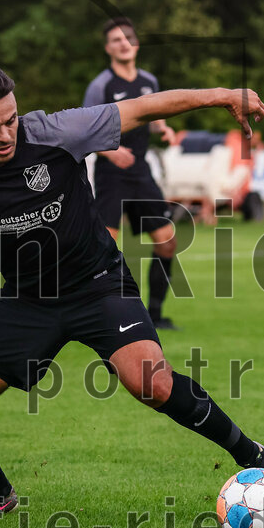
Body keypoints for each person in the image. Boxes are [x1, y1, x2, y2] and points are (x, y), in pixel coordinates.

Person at [0, 64, 264, 519]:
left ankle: (259, 458)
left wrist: (222, 93)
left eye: (10, 119)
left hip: (97, 283)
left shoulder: (57, 132)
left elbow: (145, 107)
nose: (5, 134)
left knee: (152, 382)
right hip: (27, 300)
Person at [84, 17, 179, 330]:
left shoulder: (149, 81)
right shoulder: (101, 86)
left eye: (128, 38)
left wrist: (164, 128)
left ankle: (155, 314)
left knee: (167, 241)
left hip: (140, 172)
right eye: (116, 39)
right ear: (107, 48)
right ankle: (105, 316)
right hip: (112, 175)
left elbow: (153, 116)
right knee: (106, 248)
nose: (123, 43)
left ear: (135, 44)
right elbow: (84, 131)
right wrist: (110, 151)